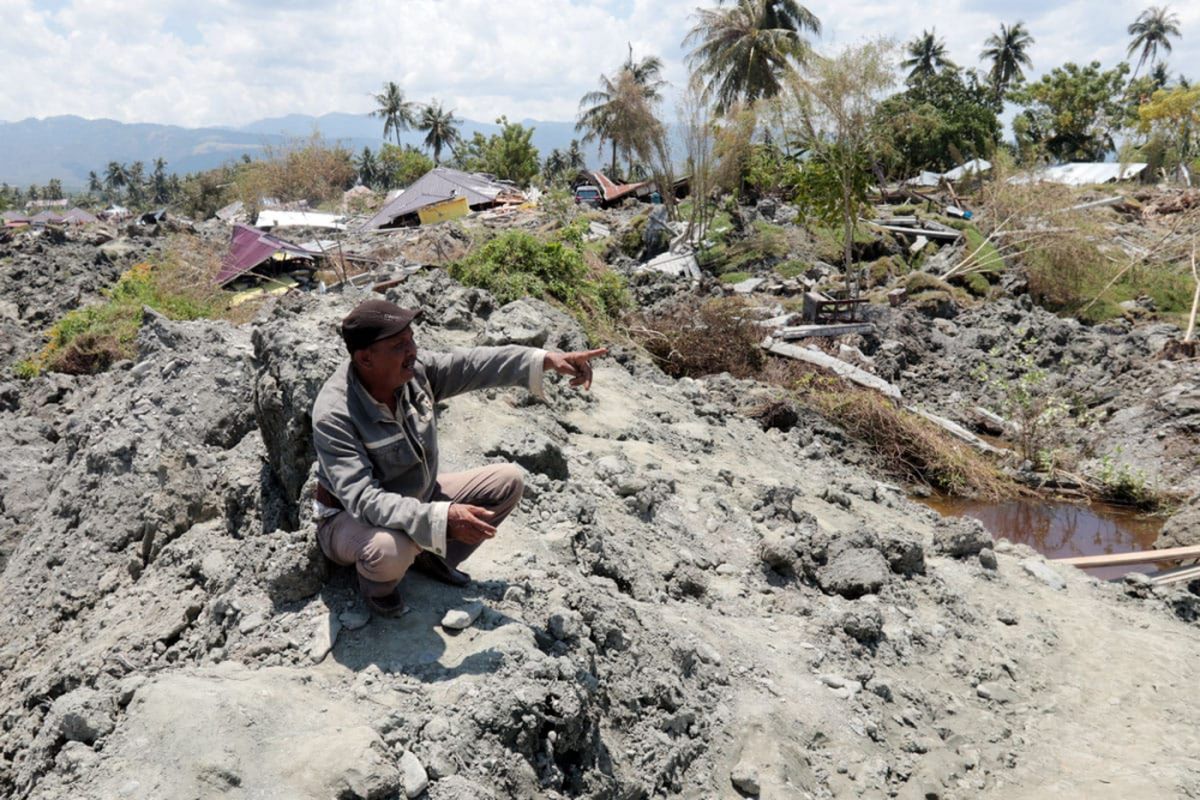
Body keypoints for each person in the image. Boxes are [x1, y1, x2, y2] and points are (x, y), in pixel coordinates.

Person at [311, 298, 606, 617]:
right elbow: (364, 500)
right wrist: (440, 519)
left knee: (507, 483)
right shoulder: (335, 413)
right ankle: (378, 588)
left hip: (415, 497)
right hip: (349, 518)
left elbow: (477, 364)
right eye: (399, 345)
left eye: (411, 339)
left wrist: (546, 359)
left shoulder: (415, 373)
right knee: (388, 550)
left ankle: (429, 557)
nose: (412, 350)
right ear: (365, 358)